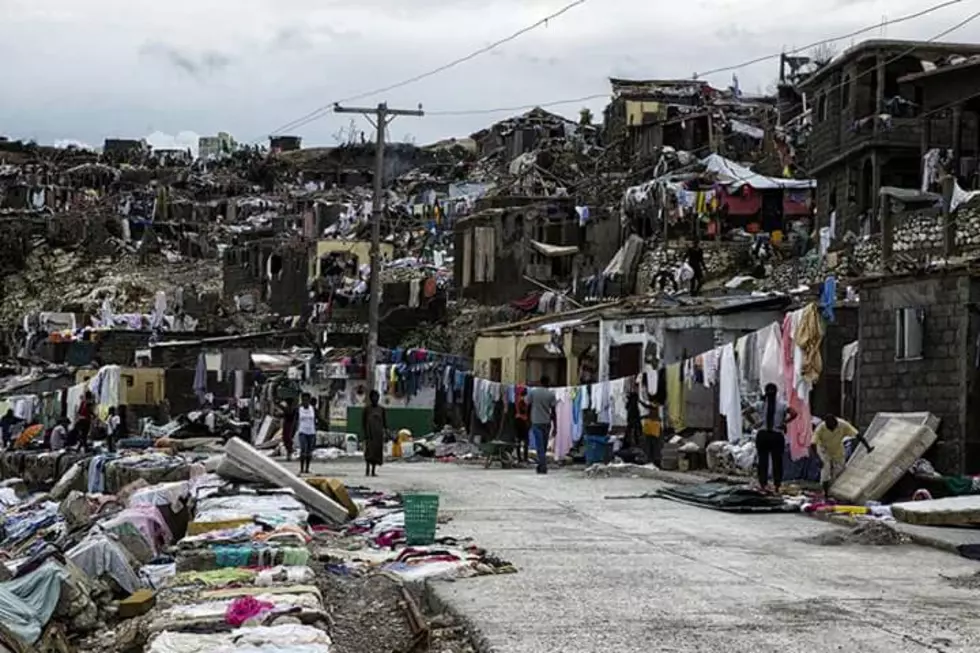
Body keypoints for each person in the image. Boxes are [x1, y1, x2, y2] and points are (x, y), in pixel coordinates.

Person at [812, 414, 874, 496]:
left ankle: (833, 489)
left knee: (839, 470)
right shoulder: (820, 428)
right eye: (830, 428)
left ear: (836, 423)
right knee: (825, 470)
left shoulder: (843, 424)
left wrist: (868, 447)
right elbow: (812, 444)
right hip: (824, 449)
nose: (832, 430)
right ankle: (825, 493)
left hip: (837, 448)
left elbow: (858, 435)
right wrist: (817, 459)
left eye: (833, 427)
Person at [754, 383, 797, 494]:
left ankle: (763, 484)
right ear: (776, 392)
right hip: (776, 435)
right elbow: (794, 413)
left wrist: (755, 423)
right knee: (777, 461)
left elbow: (745, 412)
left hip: (763, 434)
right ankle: (777, 485)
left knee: (762, 461)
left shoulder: (761, 404)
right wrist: (784, 423)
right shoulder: (782, 405)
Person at [527, 375, 557, 475]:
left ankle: (542, 466)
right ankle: (542, 465)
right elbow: (553, 412)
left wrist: (528, 419)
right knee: (543, 446)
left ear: (540, 382)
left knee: (540, 446)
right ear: (548, 383)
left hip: (536, 422)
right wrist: (555, 426)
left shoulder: (533, 392)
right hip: (546, 422)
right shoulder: (551, 394)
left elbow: (528, 405)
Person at [362, 390, 387, 477]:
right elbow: (363, 422)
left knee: (376, 453)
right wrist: (365, 434)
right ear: (370, 398)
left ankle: (373, 470)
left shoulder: (381, 409)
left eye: (377, 397)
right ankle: (367, 470)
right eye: (373, 397)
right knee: (369, 452)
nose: (375, 399)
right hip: (370, 434)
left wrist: (385, 432)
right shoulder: (367, 409)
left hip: (378, 435)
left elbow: (385, 422)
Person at [296, 393, 318, 475]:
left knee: (309, 452)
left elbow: (317, 418)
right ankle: (301, 468)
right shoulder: (299, 409)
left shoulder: (313, 409)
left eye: (307, 400)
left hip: (311, 432)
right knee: (303, 450)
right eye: (304, 400)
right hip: (302, 431)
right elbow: (295, 420)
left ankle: (307, 469)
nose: (305, 402)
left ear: (309, 400)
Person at [514, 387, 530, 464]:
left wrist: (520, 416)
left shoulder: (527, 404)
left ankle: (525, 458)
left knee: (526, 442)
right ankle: (519, 458)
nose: (523, 397)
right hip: (518, 425)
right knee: (519, 442)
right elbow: (516, 415)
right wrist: (521, 416)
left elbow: (526, 415)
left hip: (525, 425)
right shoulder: (517, 403)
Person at [625, 381, 643, 449]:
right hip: (633, 415)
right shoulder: (634, 397)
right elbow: (628, 407)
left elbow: (626, 407)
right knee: (635, 429)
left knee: (632, 429)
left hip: (632, 416)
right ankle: (635, 443)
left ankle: (630, 443)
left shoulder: (632, 397)